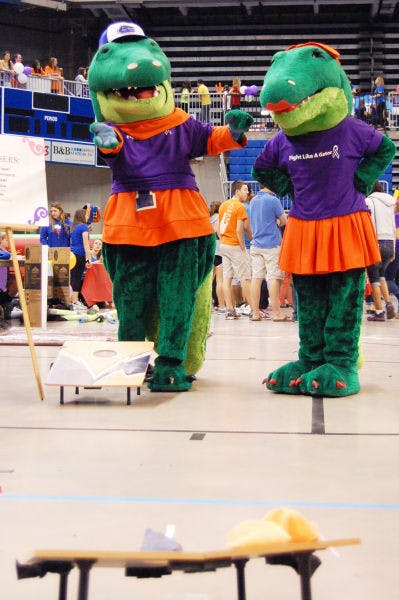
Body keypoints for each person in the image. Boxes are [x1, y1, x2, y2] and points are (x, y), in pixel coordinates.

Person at [249, 185, 287, 321]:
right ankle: (276, 313)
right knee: (273, 278)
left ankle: (255, 313)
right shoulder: (273, 200)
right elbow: (284, 221)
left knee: (256, 278)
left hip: (256, 244)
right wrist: (276, 221)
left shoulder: (253, 200)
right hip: (271, 244)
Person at [218, 180, 252, 319]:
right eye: (245, 190)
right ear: (237, 191)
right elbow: (240, 229)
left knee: (227, 278)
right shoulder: (240, 206)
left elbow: (218, 229)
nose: (247, 192)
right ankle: (254, 309)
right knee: (245, 278)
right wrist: (243, 248)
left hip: (224, 245)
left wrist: (223, 240)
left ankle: (230, 310)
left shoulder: (223, 205)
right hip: (235, 245)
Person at [366, 181, 396, 321]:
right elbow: (392, 225)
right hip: (389, 242)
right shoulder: (390, 203)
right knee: (382, 275)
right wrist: (394, 249)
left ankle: (379, 311)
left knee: (374, 278)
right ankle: (388, 303)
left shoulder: (369, 201)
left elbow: (369, 223)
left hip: (376, 242)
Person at [70, 208, 91, 310]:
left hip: (72, 255)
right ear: (82, 216)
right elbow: (86, 244)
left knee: (73, 278)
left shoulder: (73, 227)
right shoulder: (84, 227)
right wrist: (88, 259)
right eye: (86, 215)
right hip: (80, 255)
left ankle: (72, 301)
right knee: (77, 278)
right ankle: (75, 302)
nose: (88, 217)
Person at [209, 201, 225, 313]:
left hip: (210, 250)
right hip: (219, 249)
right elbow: (220, 233)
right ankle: (221, 305)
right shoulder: (220, 218)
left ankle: (210, 304)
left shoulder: (209, 218)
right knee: (220, 281)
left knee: (209, 280)